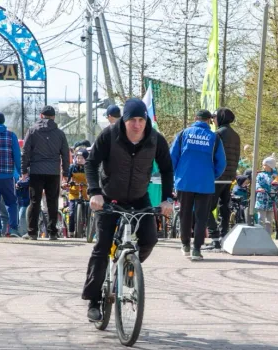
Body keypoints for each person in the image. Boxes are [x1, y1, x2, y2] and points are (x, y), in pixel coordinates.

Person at [82, 98, 174, 321]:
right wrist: (94, 192)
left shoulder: (155, 139)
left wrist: (167, 199)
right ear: (124, 120)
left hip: (138, 197)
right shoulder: (109, 135)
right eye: (132, 119)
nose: (137, 124)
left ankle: (128, 269)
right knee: (102, 247)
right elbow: (91, 163)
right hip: (108, 198)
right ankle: (94, 300)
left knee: (150, 239)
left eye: (141, 119)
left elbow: (167, 170)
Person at [169, 110, 226, 261]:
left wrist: (176, 176)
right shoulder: (214, 138)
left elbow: (172, 157)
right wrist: (211, 175)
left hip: (184, 181)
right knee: (201, 217)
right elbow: (221, 163)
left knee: (185, 214)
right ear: (209, 121)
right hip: (205, 183)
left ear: (195, 119)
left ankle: (185, 245)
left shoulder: (183, 134)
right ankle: (196, 249)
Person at [21, 106, 70, 241]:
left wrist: (23, 170)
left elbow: (25, 152)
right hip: (53, 172)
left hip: (36, 171)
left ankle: (32, 232)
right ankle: (52, 232)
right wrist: (66, 172)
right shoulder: (60, 134)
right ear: (53, 117)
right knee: (52, 202)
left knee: (35, 201)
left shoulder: (32, 131)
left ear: (41, 115)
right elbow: (65, 154)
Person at [206, 108, 240, 249]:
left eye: (214, 117)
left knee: (205, 208)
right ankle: (223, 236)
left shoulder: (218, 134)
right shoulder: (235, 135)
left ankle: (214, 238)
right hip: (229, 177)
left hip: (217, 176)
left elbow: (212, 155)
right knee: (224, 207)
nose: (213, 120)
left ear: (220, 118)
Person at [64, 149, 89, 237]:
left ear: (86, 159)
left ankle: (87, 229)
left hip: (85, 193)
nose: (79, 160)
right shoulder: (72, 167)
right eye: (78, 158)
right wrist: (65, 183)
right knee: (71, 212)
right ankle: (71, 232)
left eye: (82, 158)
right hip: (73, 193)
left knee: (88, 211)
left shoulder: (89, 168)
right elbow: (67, 179)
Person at [255, 157, 278, 235]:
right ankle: (259, 235)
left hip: (272, 199)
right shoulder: (260, 174)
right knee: (261, 219)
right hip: (262, 199)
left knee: (270, 220)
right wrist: (259, 188)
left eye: (265, 165)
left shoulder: (276, 175)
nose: (263, 166)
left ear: (270, 166)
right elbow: (257, 182)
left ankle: (268, 236)